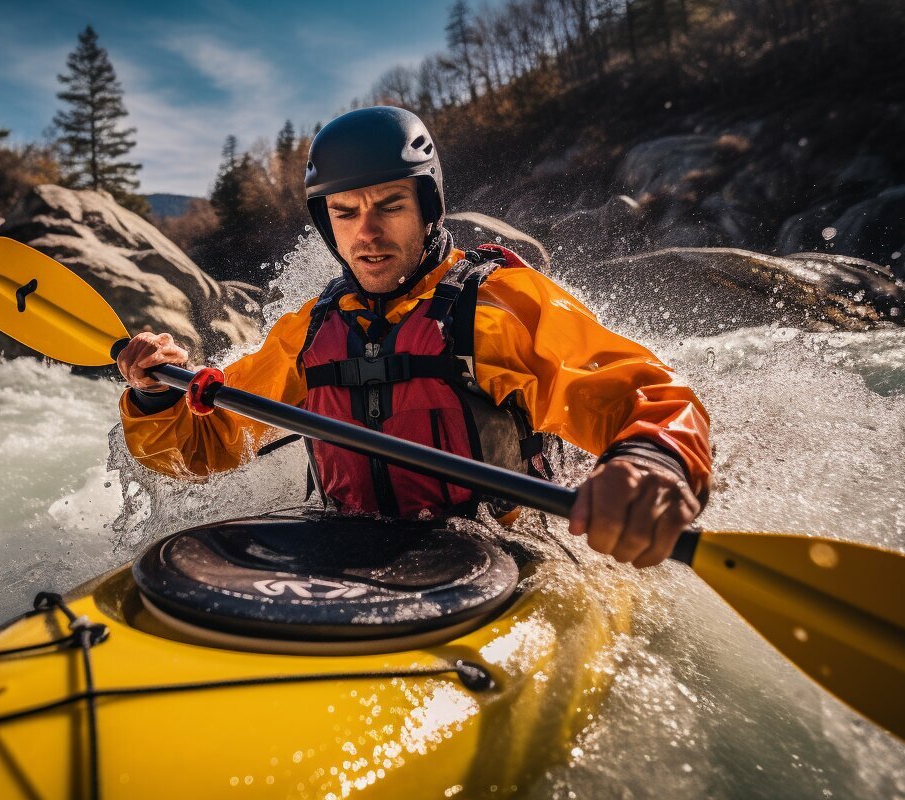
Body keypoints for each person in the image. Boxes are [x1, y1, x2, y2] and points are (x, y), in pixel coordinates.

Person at [115, 106, 710, 568]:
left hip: (502, 561)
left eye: (389, 206)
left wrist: (651, 461)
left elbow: (643, 391)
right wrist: (156, 399)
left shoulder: (497, 307)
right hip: (344, 553)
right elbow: (205, 446)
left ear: (428, 207)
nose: (366, 233)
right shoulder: (312, 330)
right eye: (344, 212)